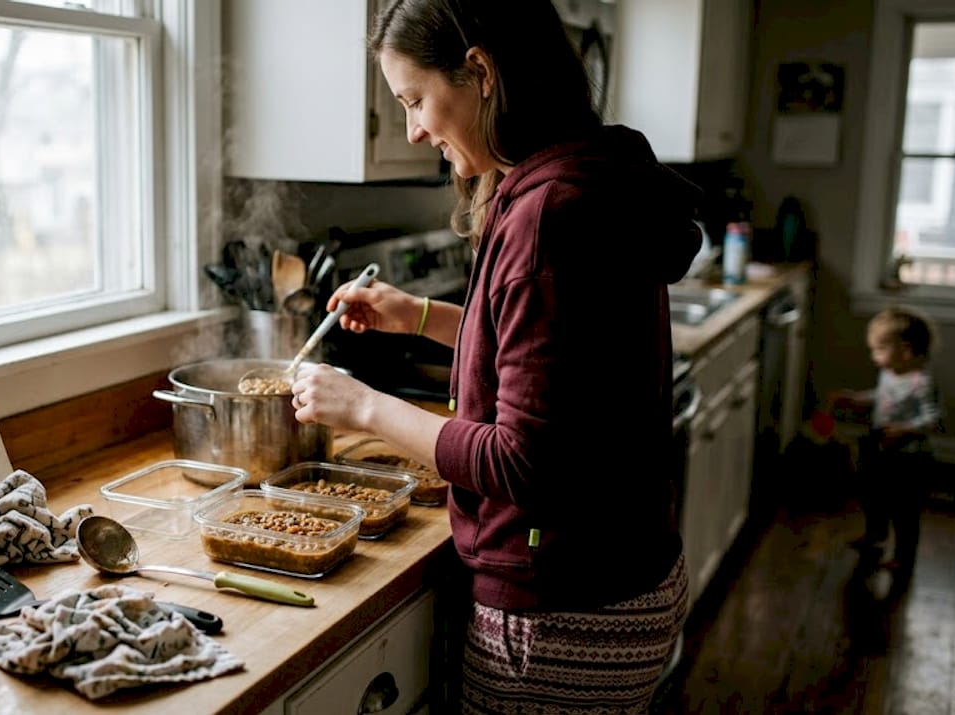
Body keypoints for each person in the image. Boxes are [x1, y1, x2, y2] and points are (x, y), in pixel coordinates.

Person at [288, 1, 702, 712]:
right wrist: (416, 315)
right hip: (621, 578)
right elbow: (548, 357)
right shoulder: (588, 173)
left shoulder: (548, 216)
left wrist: (361, 404)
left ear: (479, 71)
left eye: (416, 100)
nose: (415, 130)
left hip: (564, 613)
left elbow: (523, 459)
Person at [831, 306, 941, 594]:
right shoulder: (890, 373)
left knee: (905, 510)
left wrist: (907, 429)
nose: (874, 356)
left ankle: (904, 558)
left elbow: (932, 418)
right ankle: (875, 534)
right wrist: (858, 399)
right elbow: (882, 397)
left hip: (909, 458)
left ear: (904, 351)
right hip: (880, 446)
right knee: (873, 493)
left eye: (879, 349)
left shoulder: (921, 383)